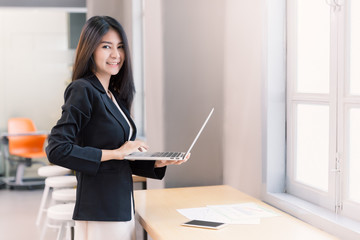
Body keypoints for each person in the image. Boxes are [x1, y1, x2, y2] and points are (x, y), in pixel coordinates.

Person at [45, 16, 189, 240]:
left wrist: (155, 163)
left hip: (121, 204)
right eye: (106, 46)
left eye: (120, 47)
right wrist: (116, 152)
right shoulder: (83, 90)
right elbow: (57, 149)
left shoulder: (112, 95)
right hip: (101, 209)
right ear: (90, 50)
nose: (116, 55)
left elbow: (117, 160)